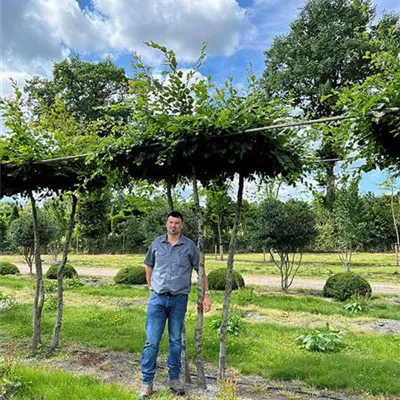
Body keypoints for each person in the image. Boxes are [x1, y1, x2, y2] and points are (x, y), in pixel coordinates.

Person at [139, 211, 212, 399]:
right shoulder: (156, 243)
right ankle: (147, 383)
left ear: (181, 225)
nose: (173, 226)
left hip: (179, 300)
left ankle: (174, 379)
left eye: (177, 223)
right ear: (166, 224)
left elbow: (201, 270)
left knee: (175, 341)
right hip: (157, 300)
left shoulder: (189, 246)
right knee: (151, 341)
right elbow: (149, 264)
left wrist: (206, 294)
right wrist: (150, 285)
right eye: (170, 222)